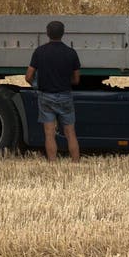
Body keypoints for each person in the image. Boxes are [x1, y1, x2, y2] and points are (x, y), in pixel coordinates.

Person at [25, 20, 81, 163]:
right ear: (63, 33)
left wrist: (37, 84)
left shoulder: (40, 52)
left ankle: (52, 163)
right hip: (65, 95)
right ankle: (75, 162)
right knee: (70, 133)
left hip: (46, 96)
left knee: (49, 133)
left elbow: (28, 76)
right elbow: (76, 79)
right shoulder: (71, 53)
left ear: (47, 33)